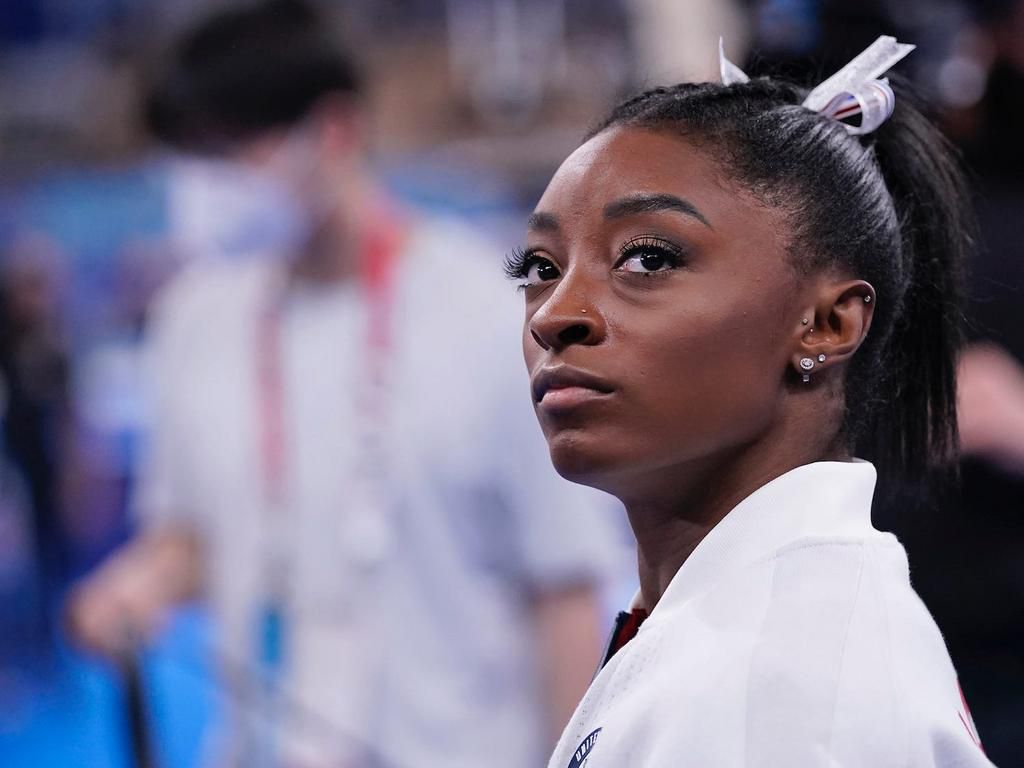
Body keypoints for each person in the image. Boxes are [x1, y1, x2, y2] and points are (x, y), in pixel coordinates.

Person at [66, 2, 622, 766]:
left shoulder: (491, 318)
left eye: (228, 152)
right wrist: (138, 590)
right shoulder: (195, 319)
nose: (204, 187)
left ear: (332, 130)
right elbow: (191, 538)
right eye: (190, 159)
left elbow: (563, 589)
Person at [506, 37, 997, 767]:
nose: (553, 315)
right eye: (540, 268)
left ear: (827, 324)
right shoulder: (737, 633)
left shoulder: (782, 688)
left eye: (648, 258)